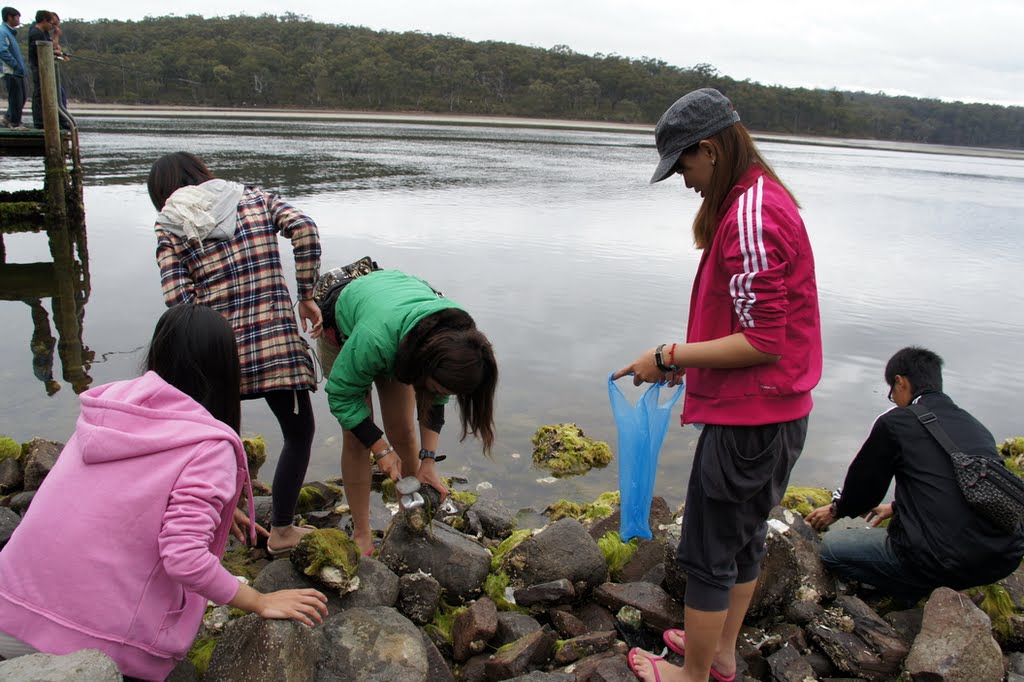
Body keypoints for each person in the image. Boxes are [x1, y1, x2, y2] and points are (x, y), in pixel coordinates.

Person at [614, 88, 821, 682]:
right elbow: (753, 329)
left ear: (708, 149)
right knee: (743, 537)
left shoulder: (753, 215)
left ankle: (692, 674)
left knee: (707, 552)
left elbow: (763, 340)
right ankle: (722, 650)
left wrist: (668, 353)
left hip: (750, 418)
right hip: (774, 411)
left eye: (683, 165)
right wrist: (683, 363)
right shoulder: (754, 200)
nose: (684, 181)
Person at [0, 305, 328, 680]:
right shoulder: (208, 444)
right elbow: (184, 557)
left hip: (9, 603)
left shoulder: (110, 408)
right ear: (226, 369)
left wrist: (218, 507)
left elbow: (121, 493)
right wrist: (259, 601)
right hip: (87, 640)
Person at [148, 151, 323, 556]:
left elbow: (177, 300)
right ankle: (281, 531)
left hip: (215, 354)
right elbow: (305, 228)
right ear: (201, 172)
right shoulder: (255, 197)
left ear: (162, 192)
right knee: (298, 434)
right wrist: (306, 295)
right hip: (277, 345)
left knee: (210, 443)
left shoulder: (170, 223)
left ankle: (207, 528)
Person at [806, 347, 1024, 600]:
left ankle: (914, 591)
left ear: (900, 382)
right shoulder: (975, 426)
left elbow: (865, 491)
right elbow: (960, 486)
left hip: (938, 560)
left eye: (891, 391)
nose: (893, 398)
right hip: (1002, 558)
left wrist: (836, 510)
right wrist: (898, 507)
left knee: (833, 550)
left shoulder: (896, 423)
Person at [320, 268, 497, 555]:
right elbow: (342, 397)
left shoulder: (457, 338)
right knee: (356, 439)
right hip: (348, 332)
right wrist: (380, 449)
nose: (444, 397)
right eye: (440, 389)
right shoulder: (374, 339)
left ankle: (412, 513)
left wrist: (429, 461)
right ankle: (362, 534)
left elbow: (435, 399)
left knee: (402, 429)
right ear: (423, 368)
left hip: (401, 327)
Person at [0, 6, 28, 130]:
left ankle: (8, 118)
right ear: (9, 17)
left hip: (17, 71)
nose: (18, 19)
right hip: (10, 71)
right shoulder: (2, 31)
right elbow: (2, 51)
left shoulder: (10, 32)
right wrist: (15, 66)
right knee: (16, 97)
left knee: (22, 97)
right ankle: (15, 123)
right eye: (17, 17)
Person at [27, 9, 53, 129]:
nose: (51, 26)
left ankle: (42, 120)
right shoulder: (36, 33)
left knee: (41, 94)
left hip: (42, 68)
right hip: (38, 67)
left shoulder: (42, 33)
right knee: (38, 94)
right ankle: (39, 122)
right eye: (50, 22)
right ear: (44, 20)